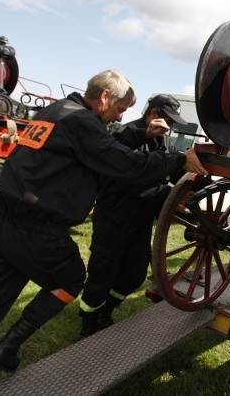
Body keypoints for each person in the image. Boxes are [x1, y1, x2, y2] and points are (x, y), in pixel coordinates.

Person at [0, 69, 208, 373]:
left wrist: (141, 134)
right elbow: (121, 161)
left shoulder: (57, 111)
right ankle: (8, 347)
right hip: (36, 228)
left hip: (0, 221)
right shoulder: (81, 122)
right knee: (69, 278)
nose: (119, 117)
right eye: (119, 109)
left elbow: (100, 142)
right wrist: (177, 161)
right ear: (105, 96)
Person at [78, 94, 186, 337]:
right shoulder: (124, 135)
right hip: (114, 215)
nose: (171, 126)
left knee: (135, 273)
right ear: (153, 113)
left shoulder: (166, 142)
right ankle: (88, 322)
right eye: (168, 119)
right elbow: (131, 179)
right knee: (102, 272)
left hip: (141, 219)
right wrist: (167, 192)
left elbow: (171, 171)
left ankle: (106, 311)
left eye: (174, 122)